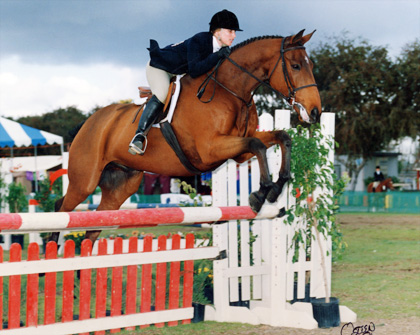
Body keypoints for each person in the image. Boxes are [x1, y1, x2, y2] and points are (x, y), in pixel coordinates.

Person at [128, 9, 242, 155]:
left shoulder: (223, 49)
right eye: (231, 31)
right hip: (161, 67)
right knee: (162, 94)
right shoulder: (199, 40)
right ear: (217, 32)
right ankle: (139, 136)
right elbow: (195, 70)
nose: (234, 36)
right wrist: (218, 56)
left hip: (179, 73)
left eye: (235, 32)